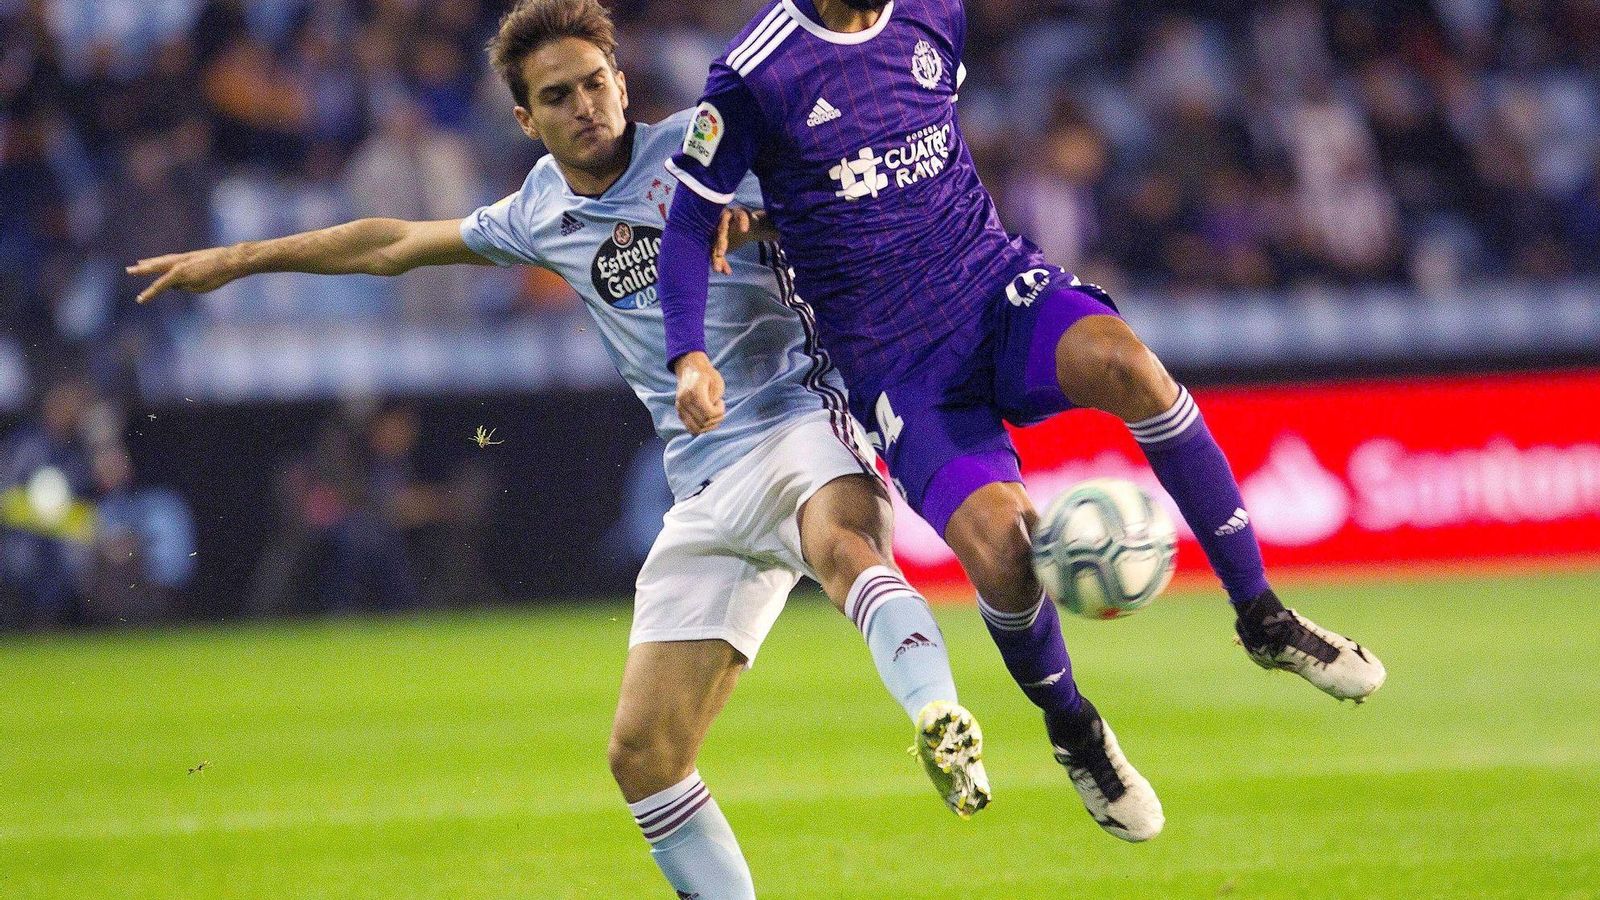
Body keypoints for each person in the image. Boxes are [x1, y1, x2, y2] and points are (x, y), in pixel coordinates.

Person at [128, 2, 987, 896]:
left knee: (844, 545)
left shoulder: (706, 151)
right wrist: (238, 259)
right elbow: (391, 244)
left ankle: (936, 712)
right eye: (558, 95)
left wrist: (761, 225)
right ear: (525, 119)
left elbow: (851, 201)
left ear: (622, 82)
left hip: (797, 415)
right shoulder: (538, 208)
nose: (586, 105)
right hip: (702, 481)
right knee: (643, 755)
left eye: (595, 83)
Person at [658, 0, 1387, 844]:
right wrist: (689, 354)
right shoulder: (756, 70)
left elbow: (883, 160)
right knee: (1005, 551)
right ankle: (1075, 730)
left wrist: (790, 209)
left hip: (991, 286)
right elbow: (687, 223)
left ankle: (1262, 616)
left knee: (1129, 366)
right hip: (897, 363)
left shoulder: (935, 16)